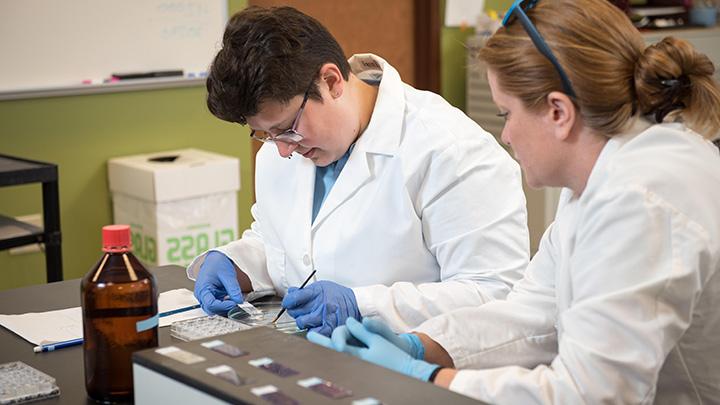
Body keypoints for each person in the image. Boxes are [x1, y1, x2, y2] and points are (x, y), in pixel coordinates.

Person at [308, 0, 720, 402]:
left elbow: (589, 393)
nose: (505, 136)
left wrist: (427, 377)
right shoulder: (602, 177)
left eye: (506, 114)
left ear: (558, 112)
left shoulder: (641, 199)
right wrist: (420, 345)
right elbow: (534, 313)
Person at [187, 6, 530, 336]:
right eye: (266, 134)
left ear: (332, 81)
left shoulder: (449, 150)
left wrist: (363, 305)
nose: (283, 149)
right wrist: (238, 264)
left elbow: (494, 293)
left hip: (416, 372)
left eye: (287, 127)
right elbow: (287, 245)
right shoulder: (282, 151)